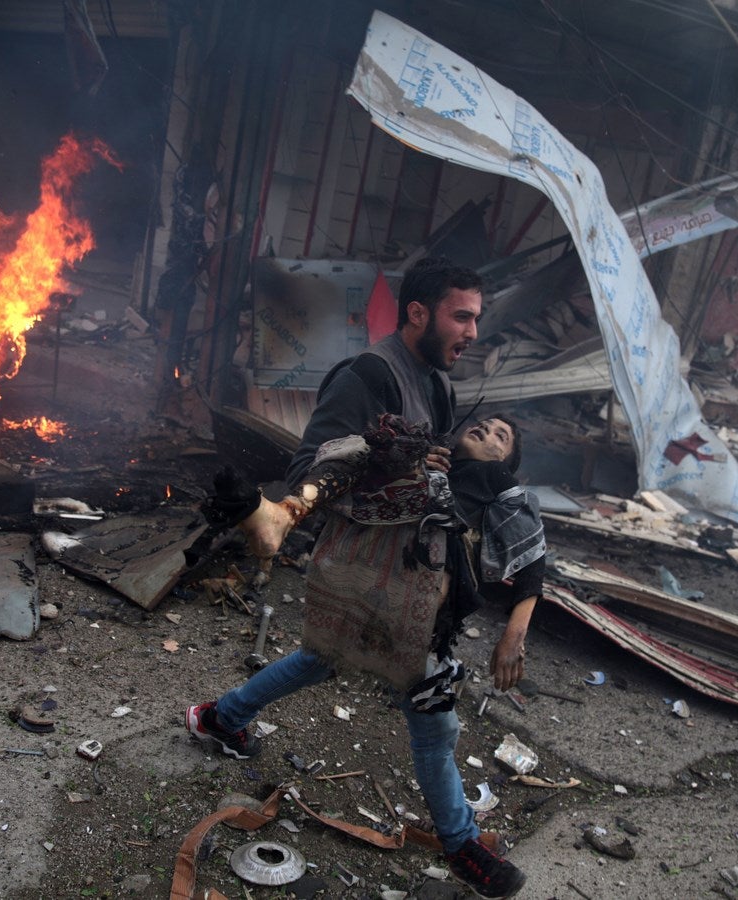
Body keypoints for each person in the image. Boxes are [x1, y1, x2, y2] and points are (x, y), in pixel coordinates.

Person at [186, 258, 535, 900]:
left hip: (412, 575)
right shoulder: (367, 375)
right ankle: (462, 846)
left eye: (478, 318)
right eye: (463, 315)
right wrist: (386, 468)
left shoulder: (437, 383)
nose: (473, 331)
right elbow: (306, 465)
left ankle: (218, 718)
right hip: (370, 571)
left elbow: (435, 472)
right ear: (419, 313)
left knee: (321, 659)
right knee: (435, 718)